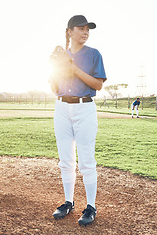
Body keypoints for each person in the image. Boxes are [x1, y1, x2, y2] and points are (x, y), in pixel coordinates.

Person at [50, 15, 107, 226]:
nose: (85, 32)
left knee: (86, 161)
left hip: (85, 108)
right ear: (69, 31)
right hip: (62, 107)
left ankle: (90, 206)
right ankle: (68, 202)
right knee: (65, 160)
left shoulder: (93, 54)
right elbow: (54, 88)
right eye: (81, 28)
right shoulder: (61, 55)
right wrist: (56, 69)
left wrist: (74, 70)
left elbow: (98, 85)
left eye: (88, 29)